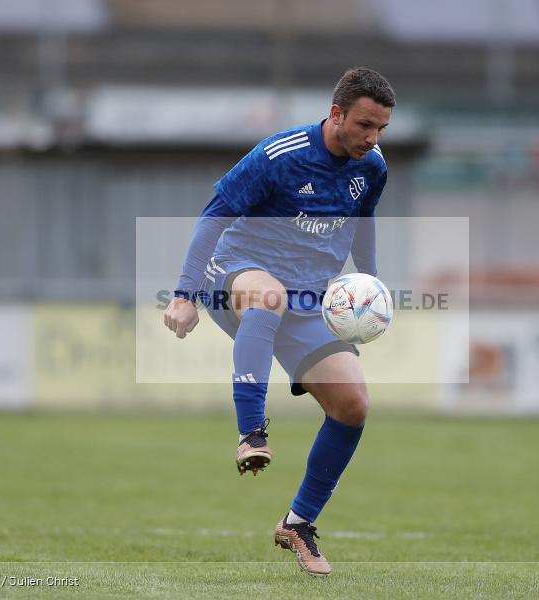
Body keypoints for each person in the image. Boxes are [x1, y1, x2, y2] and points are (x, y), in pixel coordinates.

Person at [163, 67, 394, 576]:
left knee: (353, 404)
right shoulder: (279, 155)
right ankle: (252, 434)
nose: (372, 138)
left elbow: (363, 222)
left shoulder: (371, 166)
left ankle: (298, 524)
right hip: (240, 275)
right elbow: (214, 215)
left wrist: (371, 285)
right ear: (336, 114)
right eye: (363, 125)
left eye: (380, 128)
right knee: (267, 296)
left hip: (312, 299)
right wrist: (184, 295)